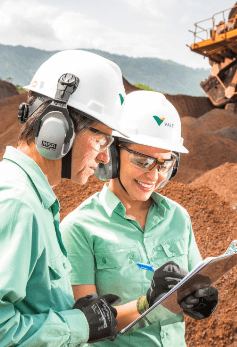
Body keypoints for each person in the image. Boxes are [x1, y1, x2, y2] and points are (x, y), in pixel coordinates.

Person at [0, 50, 130, 346]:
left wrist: (76, 315)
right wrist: (80, 325)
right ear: (58, 128)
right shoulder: (14, 204)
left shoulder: (32, 199)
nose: (103, 156)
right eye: (101, 139)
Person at [61, 90, 219, 347]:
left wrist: (200, 300)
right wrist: (148, 302)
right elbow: (84, 326)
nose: (153, 176)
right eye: (142, 161)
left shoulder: (178, 217)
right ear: (111, 155)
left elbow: (195, 282)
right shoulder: (79, 228)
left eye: (163, 164)